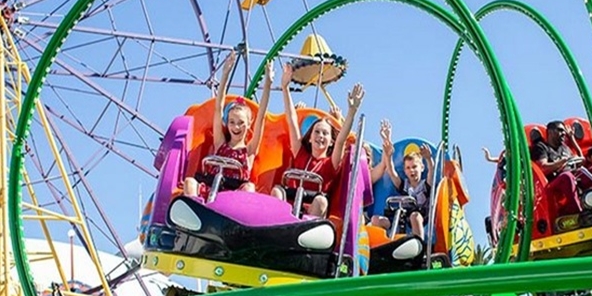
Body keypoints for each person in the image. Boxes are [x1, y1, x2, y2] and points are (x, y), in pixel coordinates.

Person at [272, 63, 364, 217]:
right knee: (276, 190)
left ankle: (306, 229)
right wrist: (285, 88)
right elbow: (292, 120)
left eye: (325, 134)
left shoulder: (330, 163)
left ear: (331, 142)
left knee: (321, 202)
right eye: (317, 132)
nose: (320, 136)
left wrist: (351, 111)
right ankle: (276, 223)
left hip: (315, 206)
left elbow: (341, 140)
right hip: (295, 202)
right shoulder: (301, 154)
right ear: (309, 138)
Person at [183, 51, 274, 199]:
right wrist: (225, 74)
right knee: (189, 182)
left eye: (241, 123)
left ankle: (239, 216)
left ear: (249, 124)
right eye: (232, 122)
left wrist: (268, 84)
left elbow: (262, 115)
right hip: (212, 188)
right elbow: (218, 107)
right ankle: (196, 211)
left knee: (250, 187)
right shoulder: (220, 143)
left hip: (234, 195)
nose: (236, 127)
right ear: (227, 123)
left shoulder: (249, 150)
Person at [371, 122, 433, 239]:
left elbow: (432, 172)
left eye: (414, 167)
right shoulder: (404, 185)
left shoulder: (426, 185)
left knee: (415, 216)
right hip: (400, 220)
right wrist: (388, 154)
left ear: (422, 168)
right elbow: (391, 171)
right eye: (408, 168)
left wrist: (429, 159)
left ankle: (418, 244)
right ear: (405, 171)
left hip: (419, 219)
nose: (412, 171)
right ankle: (380, 246)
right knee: (375, 219)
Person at [532, 120, 589, 219]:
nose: (563, 133)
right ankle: (577, 211)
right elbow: (543, 167)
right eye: (560, 130)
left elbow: (581, 161)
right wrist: (561, 162)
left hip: (571, 178)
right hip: (552, 185)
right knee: (567, 176)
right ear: (550, 132)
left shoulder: (565, 148)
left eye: (564, 131)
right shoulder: (542, 147)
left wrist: (572, 139)